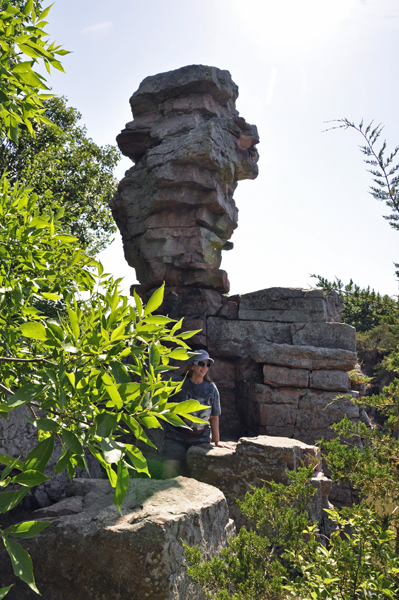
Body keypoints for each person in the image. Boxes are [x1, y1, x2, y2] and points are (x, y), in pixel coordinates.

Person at [162, 349, 233, 478]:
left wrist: (217, 441)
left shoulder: (211, 388)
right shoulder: (177, 382)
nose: (205, 367)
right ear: (192, 365)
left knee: (197, 475)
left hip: (200, 438)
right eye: (201, 363)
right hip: (175, 436)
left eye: (208, 364)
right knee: (168, 474)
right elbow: (163, 407)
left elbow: (215, 416)